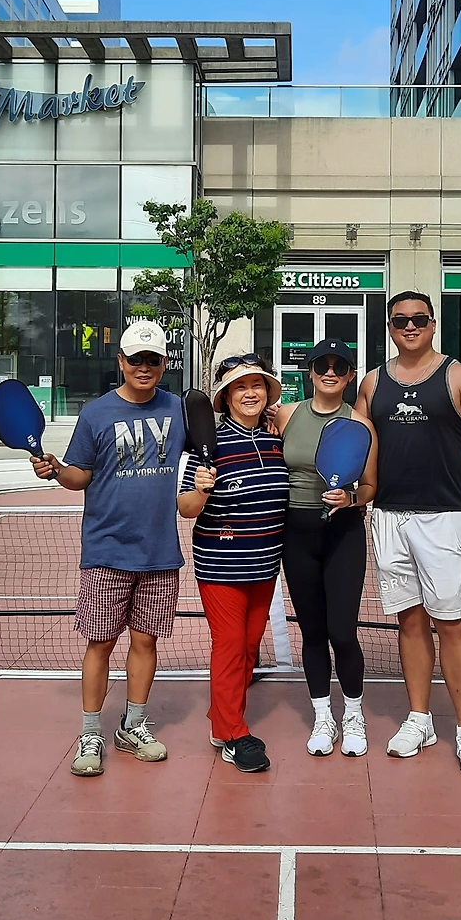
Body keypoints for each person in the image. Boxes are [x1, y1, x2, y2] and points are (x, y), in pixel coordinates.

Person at [354, 290, 461, 776]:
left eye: (418, 319)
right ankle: (419, 718)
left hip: (445, 518)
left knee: (452, 624)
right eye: (400, 320)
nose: (409, 326)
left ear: (432, 325)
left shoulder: (458, 377)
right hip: (389, 516)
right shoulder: (372, 383)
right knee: (408, 621)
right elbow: (360, 444)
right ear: (390, 327)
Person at [32, 320, 184, 777]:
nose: (144, 367)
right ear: (121, 361)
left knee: (145, 641)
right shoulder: (96, 413)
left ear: (164, 363)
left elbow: (218, 435)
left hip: (160, 551)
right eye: (135, 359)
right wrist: (56, 469)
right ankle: (90, 733)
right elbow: (80, 475)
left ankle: (133, 726)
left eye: (152, 359)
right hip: (106, 550)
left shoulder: (178, 409)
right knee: (100, 643)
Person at [178, 353, 288, 773]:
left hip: (265, 563)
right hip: (222, 565)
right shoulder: (208, 445)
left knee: (248, 649)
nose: (250, 393)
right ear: (225, 397)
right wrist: (201, 489)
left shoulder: (276, 440)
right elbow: (187, 508)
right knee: (229, 646)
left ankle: (220, 719)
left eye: (256, 384)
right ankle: (233, 733)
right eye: (239, 387)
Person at [271, 338, 377, 757]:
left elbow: (370, 485)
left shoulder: (361, 424)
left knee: (343, 632)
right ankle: (322, 717)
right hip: (295, 534)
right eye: (321, 365)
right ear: (310, 372)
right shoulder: (286, 414)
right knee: (312, 631)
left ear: (350, 376)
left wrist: (351, 498)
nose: (329, 372)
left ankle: (353, 715)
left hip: (343, 533)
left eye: (339, 366)